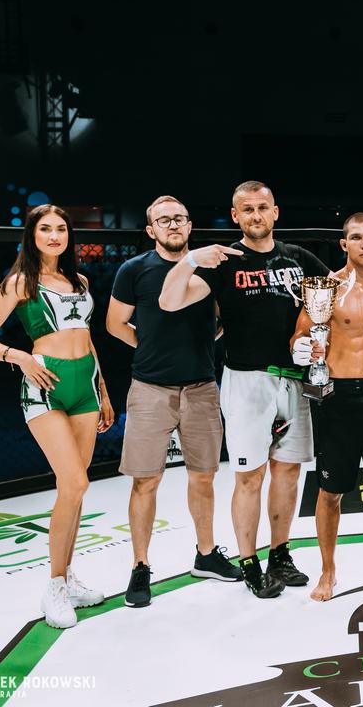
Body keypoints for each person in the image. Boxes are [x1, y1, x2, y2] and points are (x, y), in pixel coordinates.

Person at [160, 181, 326, 598]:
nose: (256, 215)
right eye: (247, 209)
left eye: (262, 207)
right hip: (247, 379)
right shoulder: (224, 261)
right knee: (250, 476)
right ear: (235, 216)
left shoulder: (298, 258)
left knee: (288, 472)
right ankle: (250, 562)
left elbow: (335, 292)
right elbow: (169, 301)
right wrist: (190, 260)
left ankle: (280, 554)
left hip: (294, 379)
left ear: (275, 212)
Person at [0, 204, 115, 628]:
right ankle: (53, 586)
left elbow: (87, 339)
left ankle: (68, 577)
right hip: (45, 386)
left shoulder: (79, 281)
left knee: (74, 491)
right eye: (45, 229)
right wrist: (19, 357)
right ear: (32, 236)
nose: (54, 236)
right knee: (75, 482)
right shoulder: (19, 282)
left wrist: (104, 391)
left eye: (61, 229)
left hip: (86, 388)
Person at [107, 195, 241, 608]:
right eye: (163, 220)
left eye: (179, 218)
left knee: (203, 476)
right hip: (150, 388)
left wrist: (208, 342)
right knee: (145, 480)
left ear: (189, 225)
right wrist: (149, 347)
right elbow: (115, 324)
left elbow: (223, 319)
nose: (173, 225)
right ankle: (140, 565)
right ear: (151, 230)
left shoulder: (210, 268)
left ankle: (206, 554)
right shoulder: (134, 269)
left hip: (201, 386)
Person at [290, 212, 363, 601]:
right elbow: (300, 335)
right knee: (330, 491)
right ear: (344, 244)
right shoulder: (328, 288)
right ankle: (328, 571)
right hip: (338, 396)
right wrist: (303, 348)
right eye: (356, 237)